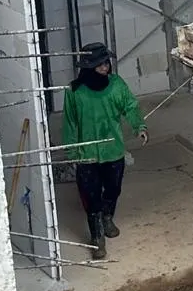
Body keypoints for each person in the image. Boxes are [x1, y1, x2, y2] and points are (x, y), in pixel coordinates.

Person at [61, 43, 147, 261]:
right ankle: (97, 237)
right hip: (87, 153)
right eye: (99, 64)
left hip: (113, 150)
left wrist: (139, 127)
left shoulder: (117, 85)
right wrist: (72, 152)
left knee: (113, 189)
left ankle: (108, 217)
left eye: (106, 62)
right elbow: (70, 123)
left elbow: (130, 105)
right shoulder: (74, 91)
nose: (105, 67)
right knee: (91, 197)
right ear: (88, 67)